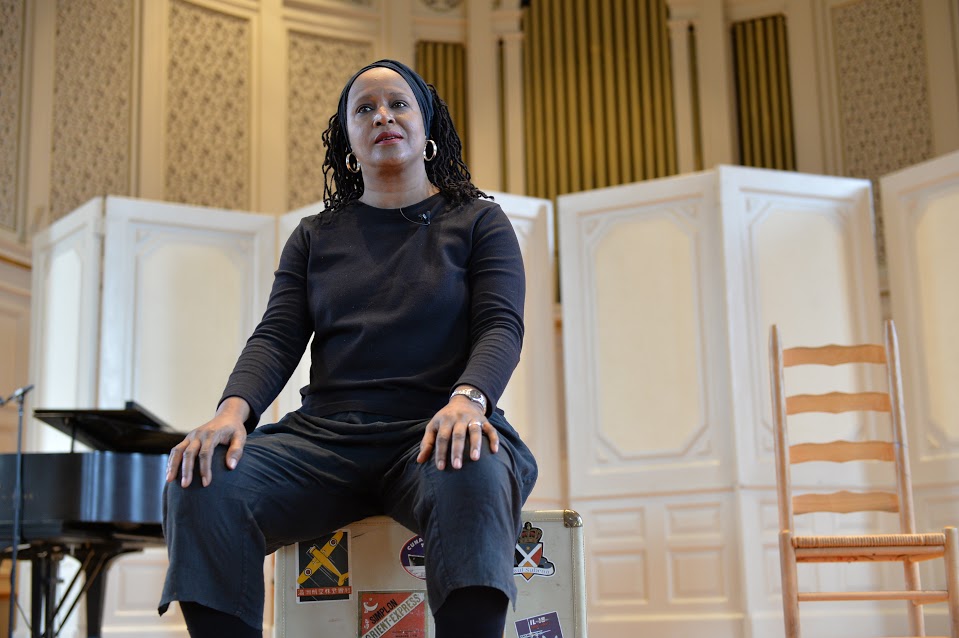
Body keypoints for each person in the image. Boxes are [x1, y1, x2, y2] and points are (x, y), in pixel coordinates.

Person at [158, 59, 538, 638]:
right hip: (325, 441)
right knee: (202, 473)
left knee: (474, 464)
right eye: (365, 109)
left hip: (433, 431)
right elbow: (277, 334)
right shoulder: (315, 236)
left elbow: (500, 325)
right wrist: (231, 413)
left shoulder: (478, 221)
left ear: (427, 127)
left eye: (398, 104)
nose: (383, 116)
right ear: (348, 141)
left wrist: (469, 400)